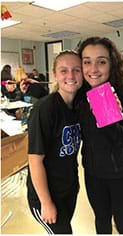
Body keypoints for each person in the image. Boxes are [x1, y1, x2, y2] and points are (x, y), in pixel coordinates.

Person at [77, 37, 123, 234]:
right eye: (87, 61)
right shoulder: (79, 94)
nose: (93, 68)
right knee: (101, 221)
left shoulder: (122, 92)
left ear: (111, 64)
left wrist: (110, 121)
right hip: (93, 173)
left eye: (101, 61)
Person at [26, 50, 83, 234]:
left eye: (76, 69)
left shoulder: (79, 107)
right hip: (47, 196)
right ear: (55, 75)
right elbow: (35, 161)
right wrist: (46, 202)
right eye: (64, 70)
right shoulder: (45, 109)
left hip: (68, 189)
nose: (71, 75)